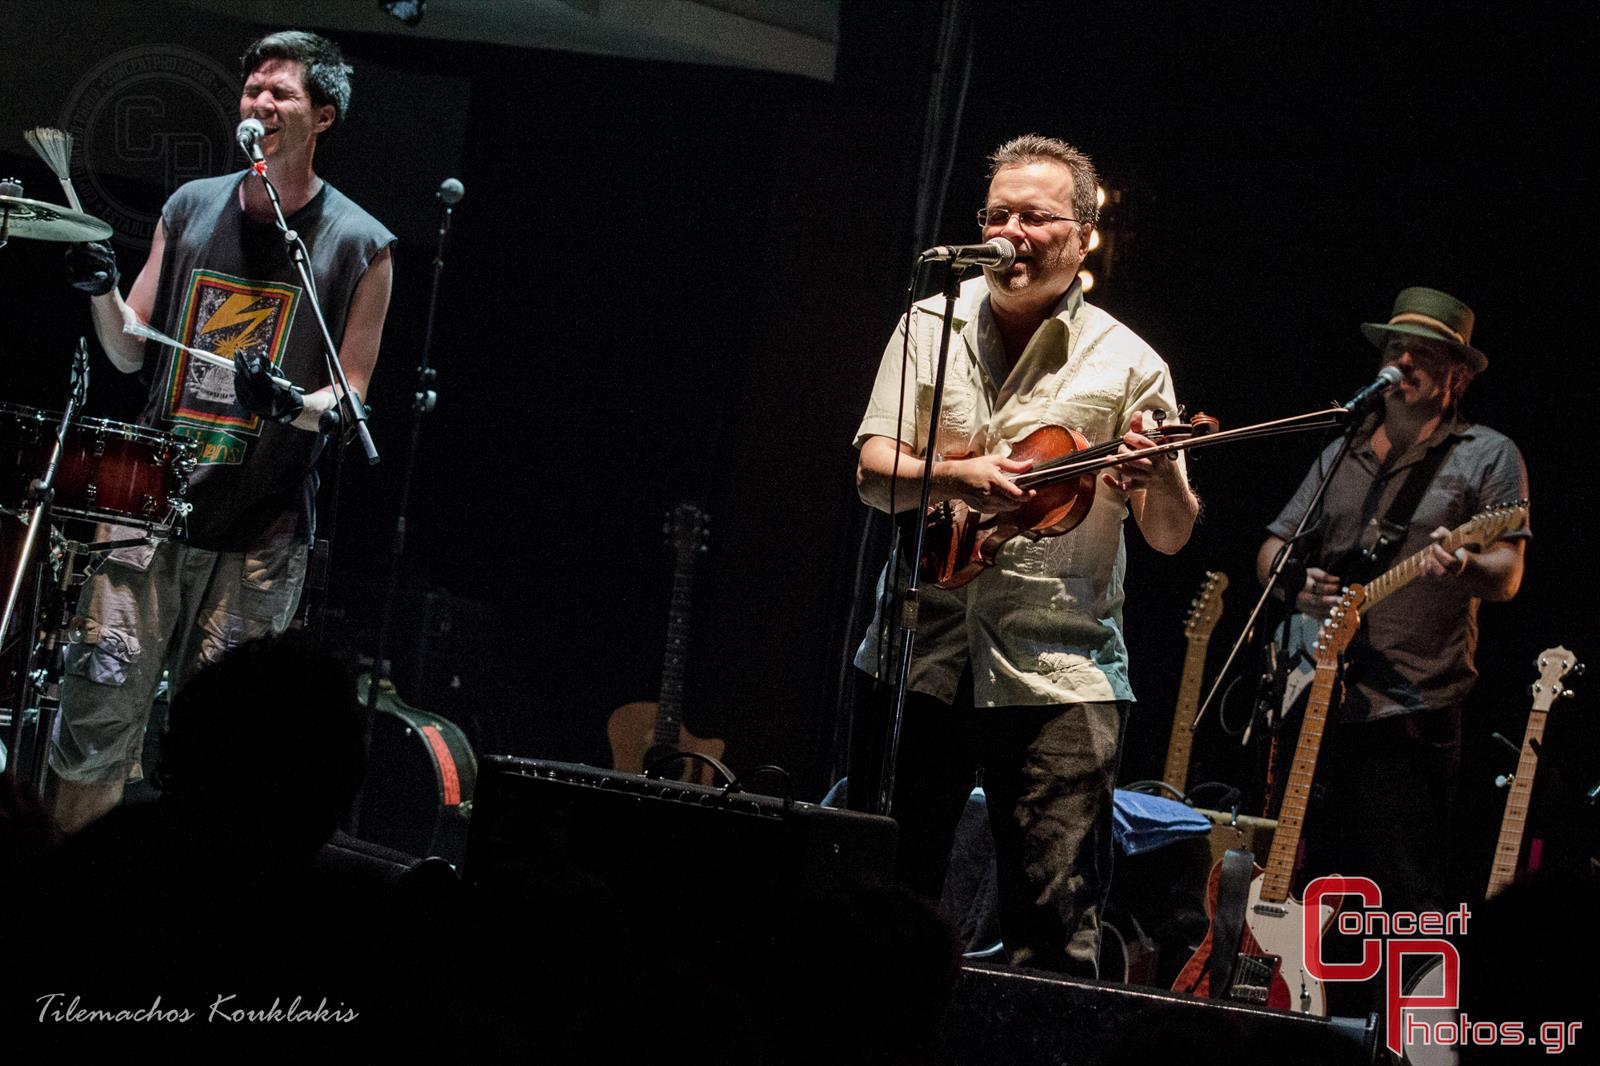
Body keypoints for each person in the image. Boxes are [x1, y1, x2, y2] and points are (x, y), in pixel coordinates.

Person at [849, 134, 1199, 978]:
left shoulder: (1130, 364)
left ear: (1083, 237)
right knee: (876, 908)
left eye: (1035, 217)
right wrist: (961, 475)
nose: (1012, 232)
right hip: (918, 654)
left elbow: (1169, 533)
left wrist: (1158, 477)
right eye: (997, 215)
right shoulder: (929, 324)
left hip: (1058, 673)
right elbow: (873, 474)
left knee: (1053, 924)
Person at [50, 30, 395, 833]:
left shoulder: (360, 243)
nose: (260, 105)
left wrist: (290, 404)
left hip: (260, 528)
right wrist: (102, 294)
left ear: (325, 116)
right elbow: (130, 350)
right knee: (98, 719)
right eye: (252, 92)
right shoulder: (189, 207)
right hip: (147, 511)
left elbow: (351, 398)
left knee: (233, 758)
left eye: (281, 94)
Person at [1256, 286, 1528, 916]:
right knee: (1313, 882)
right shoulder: (1342, 450)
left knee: (1403, 891)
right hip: (1320, 693)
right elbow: (1271, 547)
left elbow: (1508, 572)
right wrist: (1297, 581)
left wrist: (1464, 561)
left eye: (1421, 354)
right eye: (1395, 348)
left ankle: (1403, 1016)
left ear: (1455, 374)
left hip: (1413, 704)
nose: (1402, 362)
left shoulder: (1486, 455)